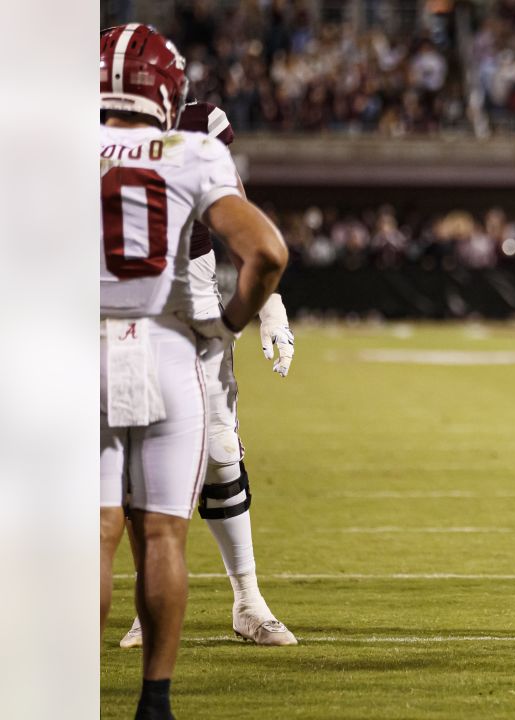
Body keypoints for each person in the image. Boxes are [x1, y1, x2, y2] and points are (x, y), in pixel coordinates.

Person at [100, 24, 288, 718]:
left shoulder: (60, 139)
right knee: (161, 524)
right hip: (166, 323)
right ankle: (154, 693)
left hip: (100, 325)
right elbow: (262, 245)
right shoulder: (194, 145)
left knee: (102, 521)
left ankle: (246, 598)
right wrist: (251, 312)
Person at [118, 100, 298, 649]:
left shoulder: (197, 121)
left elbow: (234, 208)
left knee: (219, 451)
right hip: (118, 299)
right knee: (133, 457)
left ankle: (248, 601)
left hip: (193, 291)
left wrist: (269, 305)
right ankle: (147, 606)